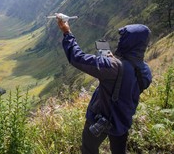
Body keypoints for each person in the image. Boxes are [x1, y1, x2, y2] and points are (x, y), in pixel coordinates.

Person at [56, 15, 152, 154]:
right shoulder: (146, 71)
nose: (120, 40)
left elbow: (77, 58)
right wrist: (116, 62)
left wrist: (66, 32)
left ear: (129, 42)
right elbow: (128, 84)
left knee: (89, 149)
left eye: (123, 38)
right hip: (123, 120)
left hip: (99, 119)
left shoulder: (112, 67)